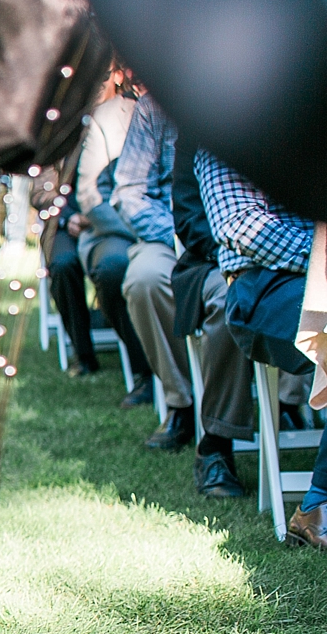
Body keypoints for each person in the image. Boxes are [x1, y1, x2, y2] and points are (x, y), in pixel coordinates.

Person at [197, 151, 324, 547]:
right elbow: (242, 227)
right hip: (264, 286)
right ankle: (317, 505)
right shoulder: (228, 135)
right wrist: (321, 250)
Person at [108, 94, 194, 448]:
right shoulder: (154, 107)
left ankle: (288, 400)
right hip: (170, 233)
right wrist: (180, 238)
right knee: (143, 279)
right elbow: (130, 192)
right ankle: (182, 402)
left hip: (246, 229)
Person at [171, 140, 256, 497]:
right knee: (230, 299)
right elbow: (190, 221)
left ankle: (289, 403)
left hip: (291, 254)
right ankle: (215, 445)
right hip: (214, 259)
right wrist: (244, 250)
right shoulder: (199, 134)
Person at [68, 71, 152, 398]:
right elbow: (90, 195)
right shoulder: (104, 116)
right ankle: (144, 368)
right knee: (114, 268)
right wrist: (138, 229)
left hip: (171, 226)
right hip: (113, 227)